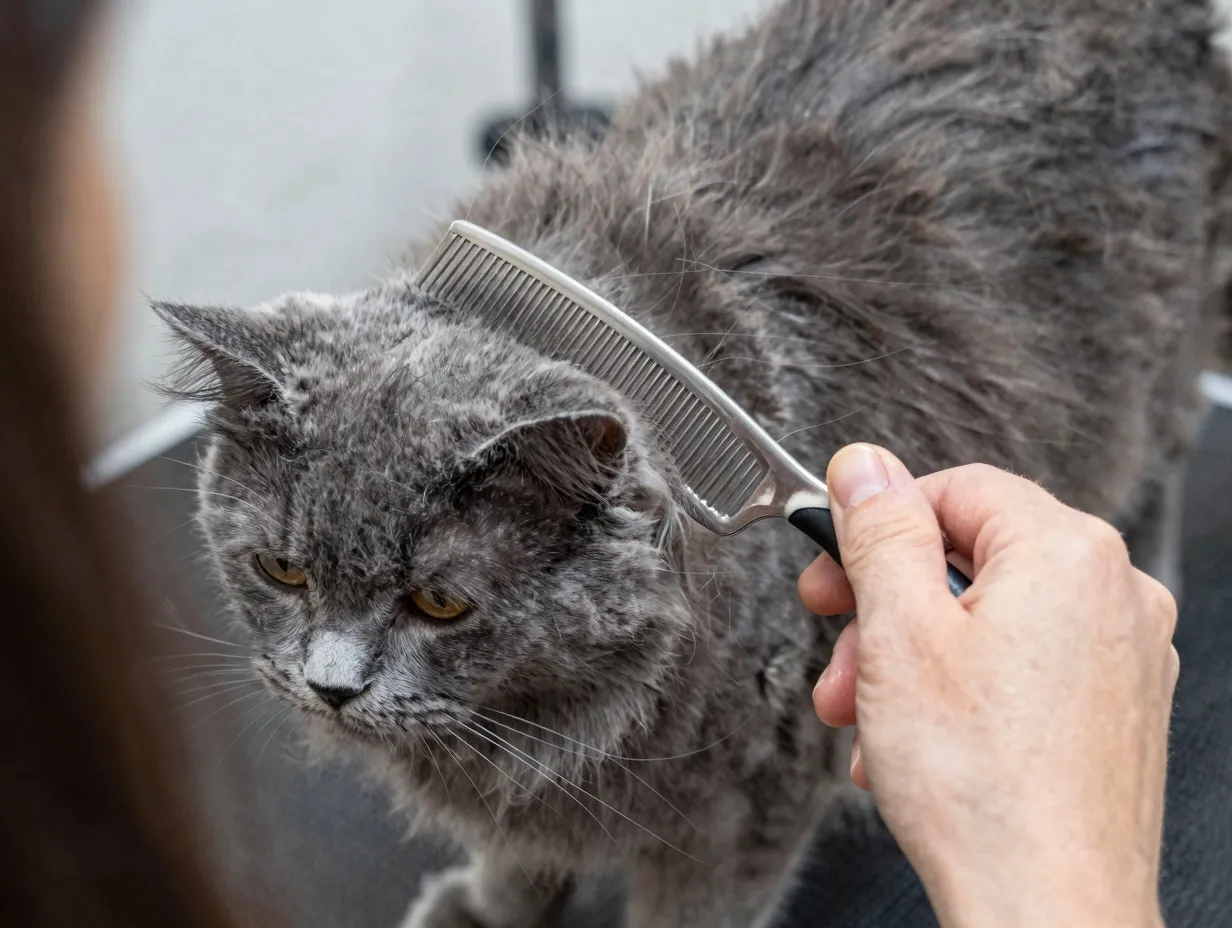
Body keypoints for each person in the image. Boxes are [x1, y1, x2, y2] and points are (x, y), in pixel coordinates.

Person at [0, 1, 1178, 926]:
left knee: (730, 771)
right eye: (287, 576)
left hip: (1101, 143)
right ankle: (518, 875)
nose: (331, 671)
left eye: (437, 597)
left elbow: (752, 804)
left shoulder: (636, 506)